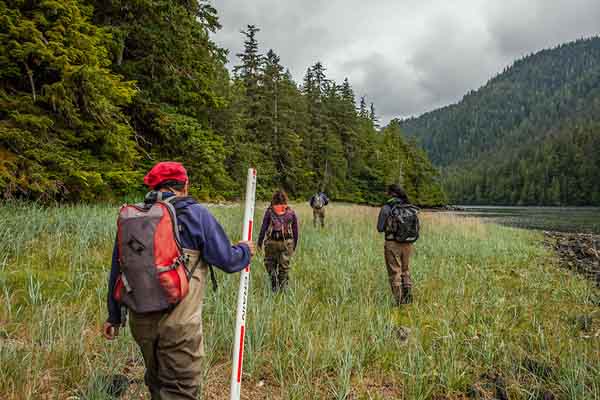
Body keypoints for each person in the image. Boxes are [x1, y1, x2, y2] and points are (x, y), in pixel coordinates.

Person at [102, 161, 255, 400]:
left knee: (156, 383)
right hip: (179, 325)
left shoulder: (132, 217)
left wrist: (113, 316)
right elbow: (227, 260)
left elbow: (117, 268)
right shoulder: (195, 213)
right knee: (180, 391)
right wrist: (245, 251)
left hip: (140, 323)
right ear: (185, 185)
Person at [377, 184, 418, 305]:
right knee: (405, 270)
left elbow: (379, 228)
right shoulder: (408, 206)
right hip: (408, 243)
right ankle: (408, 297)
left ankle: (399, 302)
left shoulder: (387, 207)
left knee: (395, 271)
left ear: (390, 193)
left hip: (392, 243)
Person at [257, 190, 299, 292]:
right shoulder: (290, 212)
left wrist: (259, 243)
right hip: (287, 243)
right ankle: (283, 289)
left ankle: (274, 285)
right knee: (284, 267)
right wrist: (294, 245)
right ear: (285, 200)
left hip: (271, 242)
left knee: (270, 264)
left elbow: (263, 228)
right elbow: (295, 230)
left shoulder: (270, 211)